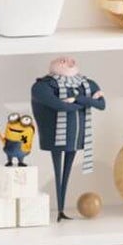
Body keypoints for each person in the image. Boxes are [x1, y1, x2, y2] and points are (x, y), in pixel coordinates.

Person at [31, 56, 105, 220]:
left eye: (69, 60)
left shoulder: (86, 83)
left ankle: (61, 210)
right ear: (52, 66)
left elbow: (101, 105)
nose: (68, 61)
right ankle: (59, 210)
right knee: (58, 172)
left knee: (67, 172)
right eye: (62, 61)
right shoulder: (42, 86)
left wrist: (78, 99)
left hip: (76, 135)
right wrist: (88, 101)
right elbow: (61, 106)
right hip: (55, 136)